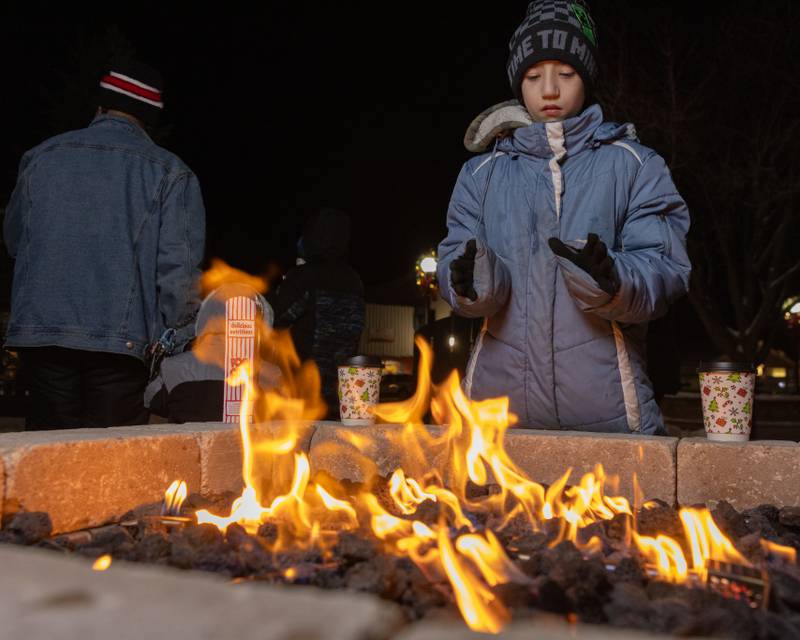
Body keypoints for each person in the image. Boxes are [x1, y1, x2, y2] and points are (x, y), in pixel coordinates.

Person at [437, 0, 691, 435]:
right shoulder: (481, 174)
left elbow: (666, 269)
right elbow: (457, 265)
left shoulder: (634, 165)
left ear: (586, 79)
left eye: (566, 74)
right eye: (534, 77)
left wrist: (614, 278)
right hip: (496, 424)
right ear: (519, 83)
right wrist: (470, 280)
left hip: (612, 420)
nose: (549, 90)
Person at [3, 60, 205, 429]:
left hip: (43, 337)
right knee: (113, 469)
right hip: (121, 347)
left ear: (99, 106)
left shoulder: (40, 157)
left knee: (48, 462)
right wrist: (179, 340)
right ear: (149, 119)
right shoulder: (171, 172)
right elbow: (178, 273)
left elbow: (15, 241)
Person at [272, 209, 365, 419]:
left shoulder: (304, 277)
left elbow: (276, 318)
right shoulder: (354, 280)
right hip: (341, 397)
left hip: (302, 394)